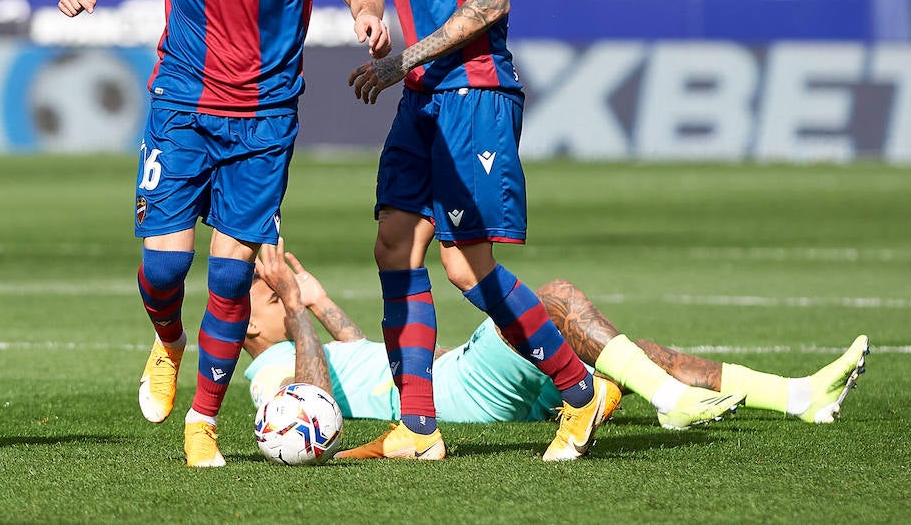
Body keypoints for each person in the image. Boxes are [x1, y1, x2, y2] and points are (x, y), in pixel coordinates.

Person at [58, 0, 391, 467]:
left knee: (236, 276)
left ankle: (202, 424)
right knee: (163, 269)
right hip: (182, 102)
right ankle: (169, 341)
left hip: (266, 117)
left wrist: (369, 18)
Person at [344, 0, 610, 462]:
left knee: (465, 267)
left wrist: (406, 56)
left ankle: (580, 395)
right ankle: (418, 428)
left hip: (472, 95)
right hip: (425, 98)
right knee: (394, 246)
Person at [245, 242, 870, 434]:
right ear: (251, 328)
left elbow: (363, 360)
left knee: (628, 351)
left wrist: (320, 305)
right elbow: (314, 409)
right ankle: (670, 402)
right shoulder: (268, 372)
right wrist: (299, 318)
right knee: (557, 300)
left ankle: (797, 396)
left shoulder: (309, 344)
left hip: (450, 373)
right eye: (273, 299)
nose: (284, 299)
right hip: (461, 390)